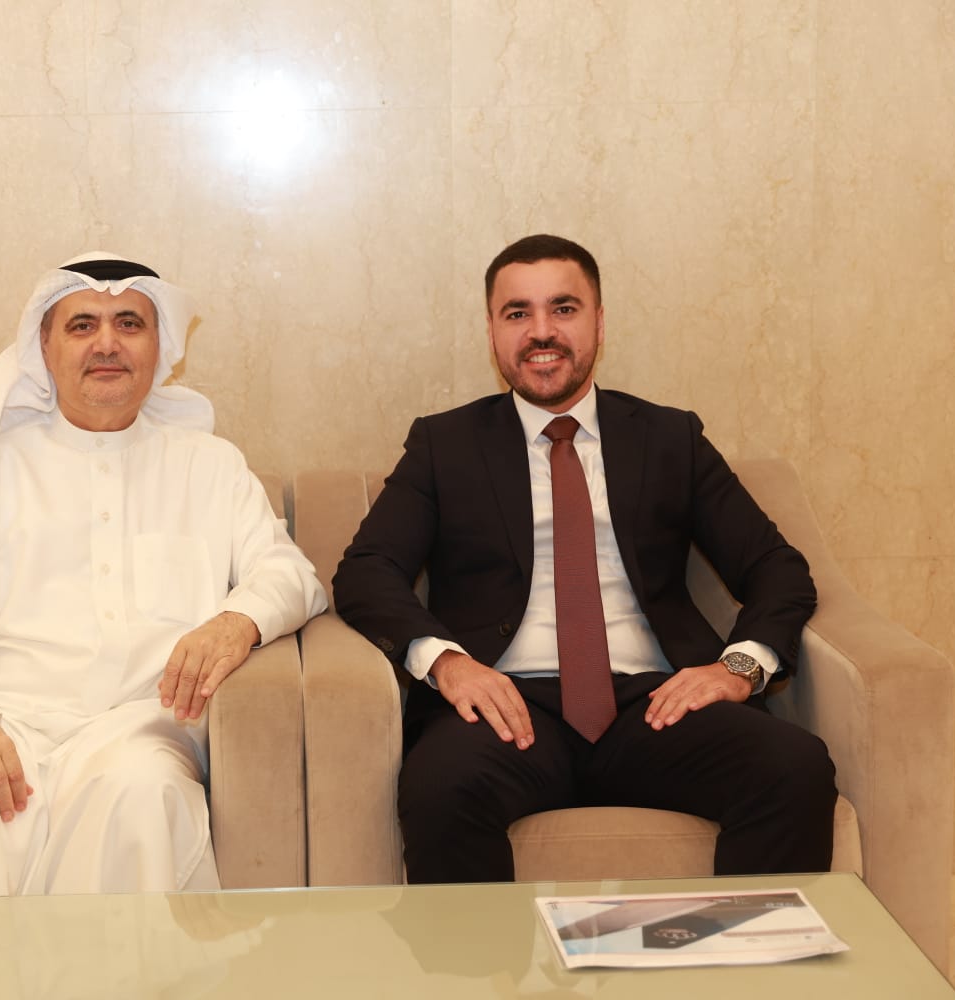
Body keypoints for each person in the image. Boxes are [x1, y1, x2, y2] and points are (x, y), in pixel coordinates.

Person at [332, 234, 837, 883]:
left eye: (563, 308)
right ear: (492, 330)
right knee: (440, 787)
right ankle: (485, 958)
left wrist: (738, 668)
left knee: (794, 766)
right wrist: (448, 664)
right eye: (518, 313)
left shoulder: (669, 437)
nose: (541, 331)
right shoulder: (445, 444)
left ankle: (732, 951)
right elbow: (367, 570)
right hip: (505, 708)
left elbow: (776, 568)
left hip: (657, 704)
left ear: (599, 321)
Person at [0, 252, 326, 900]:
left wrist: (237, 622)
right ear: (45, 346)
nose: (106, 344)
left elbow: (290, 572)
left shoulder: (209, 465)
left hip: (136, 730)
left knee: (141, 796)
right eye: (82, 325)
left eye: (129, 323)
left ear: (159, 346)